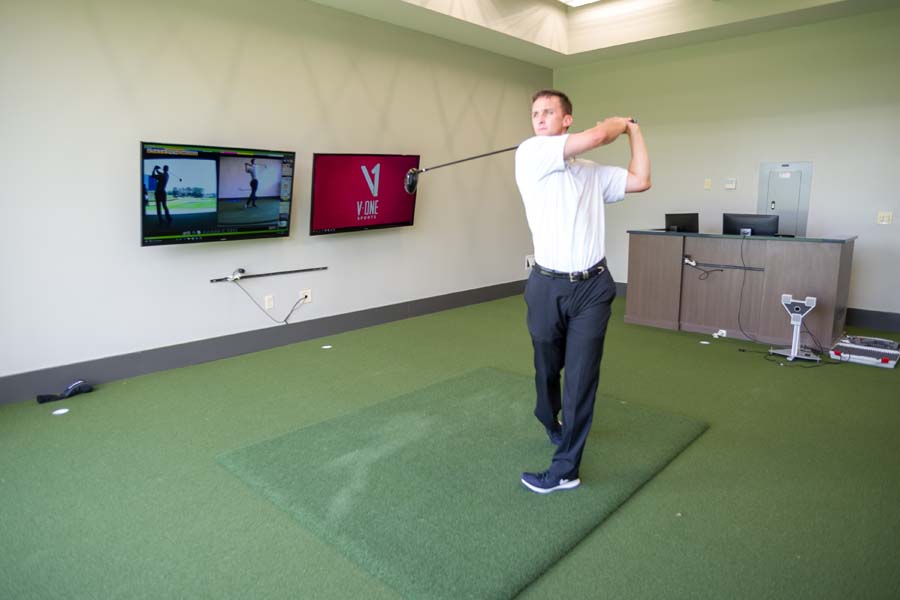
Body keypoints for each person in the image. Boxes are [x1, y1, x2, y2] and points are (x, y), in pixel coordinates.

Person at [515, 89, 651, 494]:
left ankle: (566, 468)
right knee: (546, 368)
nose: (539, 119)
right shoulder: (531, 153)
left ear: (566, 119)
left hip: (592, 288)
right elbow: (596, 136)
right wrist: (618, 124)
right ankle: (549, 417)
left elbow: (642, 180)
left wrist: (635, 133)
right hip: (546, 286)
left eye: (548, 112)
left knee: (580, 377)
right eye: (535, 113)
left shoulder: (591, 172)